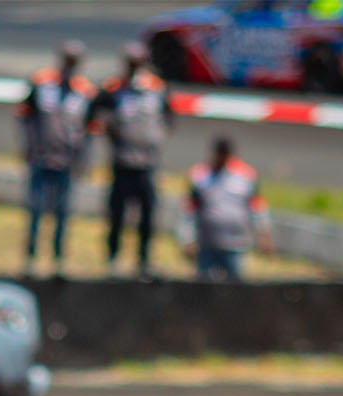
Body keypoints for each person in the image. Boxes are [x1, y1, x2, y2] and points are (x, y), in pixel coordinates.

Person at [16, 40, 99, 279]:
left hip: (66, 162)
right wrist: (29, 147)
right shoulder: (42, 83)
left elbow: (90, 130)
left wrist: (82, 162)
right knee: (35, 211)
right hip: (41, 159)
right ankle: (29, 261)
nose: (69, 66)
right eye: (67, 60)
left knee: (62, 214)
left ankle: (57, 262)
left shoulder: (85, 91)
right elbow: (24, 116)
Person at [95, 41, 172, 278]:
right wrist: (110, 133)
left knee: (147, 214)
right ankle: (112, 259)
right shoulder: (113, 88)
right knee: (116, 213)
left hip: (147, 163)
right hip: (121, 162)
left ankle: (144, 260)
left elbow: (169, 118)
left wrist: (156, 139)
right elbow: (95, 113)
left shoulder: (156, 88)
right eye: (130, 63)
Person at [179, 137, 272, 281]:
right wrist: (186, 238)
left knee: (235, 286)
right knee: (203, 286)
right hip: (207, 243)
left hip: (236, 244)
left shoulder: (246, 175)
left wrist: (263, 234)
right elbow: (189, 209)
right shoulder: (200, 175)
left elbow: (257, 206)